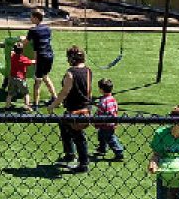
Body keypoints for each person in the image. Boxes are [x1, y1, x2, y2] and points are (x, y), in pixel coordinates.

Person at [46, 45, 93, 173]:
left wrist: (53, 105)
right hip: (86, 108)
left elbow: (64, 92)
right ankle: (69, 154)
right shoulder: (88, 71)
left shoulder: (70, 73)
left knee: (78, 136)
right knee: (64, 126)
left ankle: (83, 163)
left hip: (76, 110)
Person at [22, 9, 57, 108]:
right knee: (45, 76)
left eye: (31, 17)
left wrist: (16, 46)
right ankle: (55, 97)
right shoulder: (48, 29)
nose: (30, 19)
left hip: (41, 57)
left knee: (37, 81)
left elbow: (26, 42)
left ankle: (35, 104)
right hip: (50, 56)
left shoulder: (32, 30)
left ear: (36, 18)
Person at [93, 78, 125, 161]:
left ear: (101, 89)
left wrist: (97, 122)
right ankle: (102, 148)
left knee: (110, 138)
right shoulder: (112, 99)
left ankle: (119, 152)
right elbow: (115, 110)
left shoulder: (103, 101)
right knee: (101, 136)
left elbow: (102, 113)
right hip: (112, 122)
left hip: (105, 123)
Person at [2, 40, 35, 111]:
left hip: (12, 77)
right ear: (22, 51)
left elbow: (12, 51)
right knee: (26, 93)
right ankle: (27, 106)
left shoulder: (12, 56)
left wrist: (13, 47)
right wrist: (37, 60)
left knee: (10, 93)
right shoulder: (23, 59)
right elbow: (32, 62)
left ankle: (7, 106)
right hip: (21, 78)